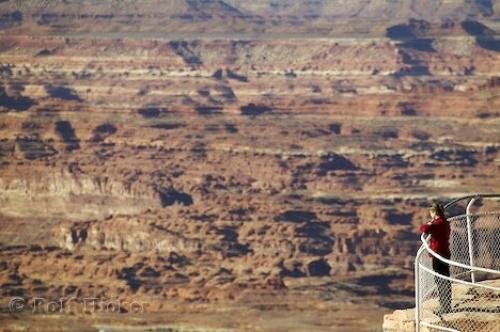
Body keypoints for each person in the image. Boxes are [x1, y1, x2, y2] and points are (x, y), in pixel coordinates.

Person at [419, 202, 452, 314]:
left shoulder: (438, 224)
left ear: (434, 212)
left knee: (440, 280)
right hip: (445, 253)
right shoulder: (445, 222)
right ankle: (447, 305)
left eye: (431, 212)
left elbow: (423, 228)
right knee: (444, 279)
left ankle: (445, 307)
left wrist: (429, 223)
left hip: (439, 254)